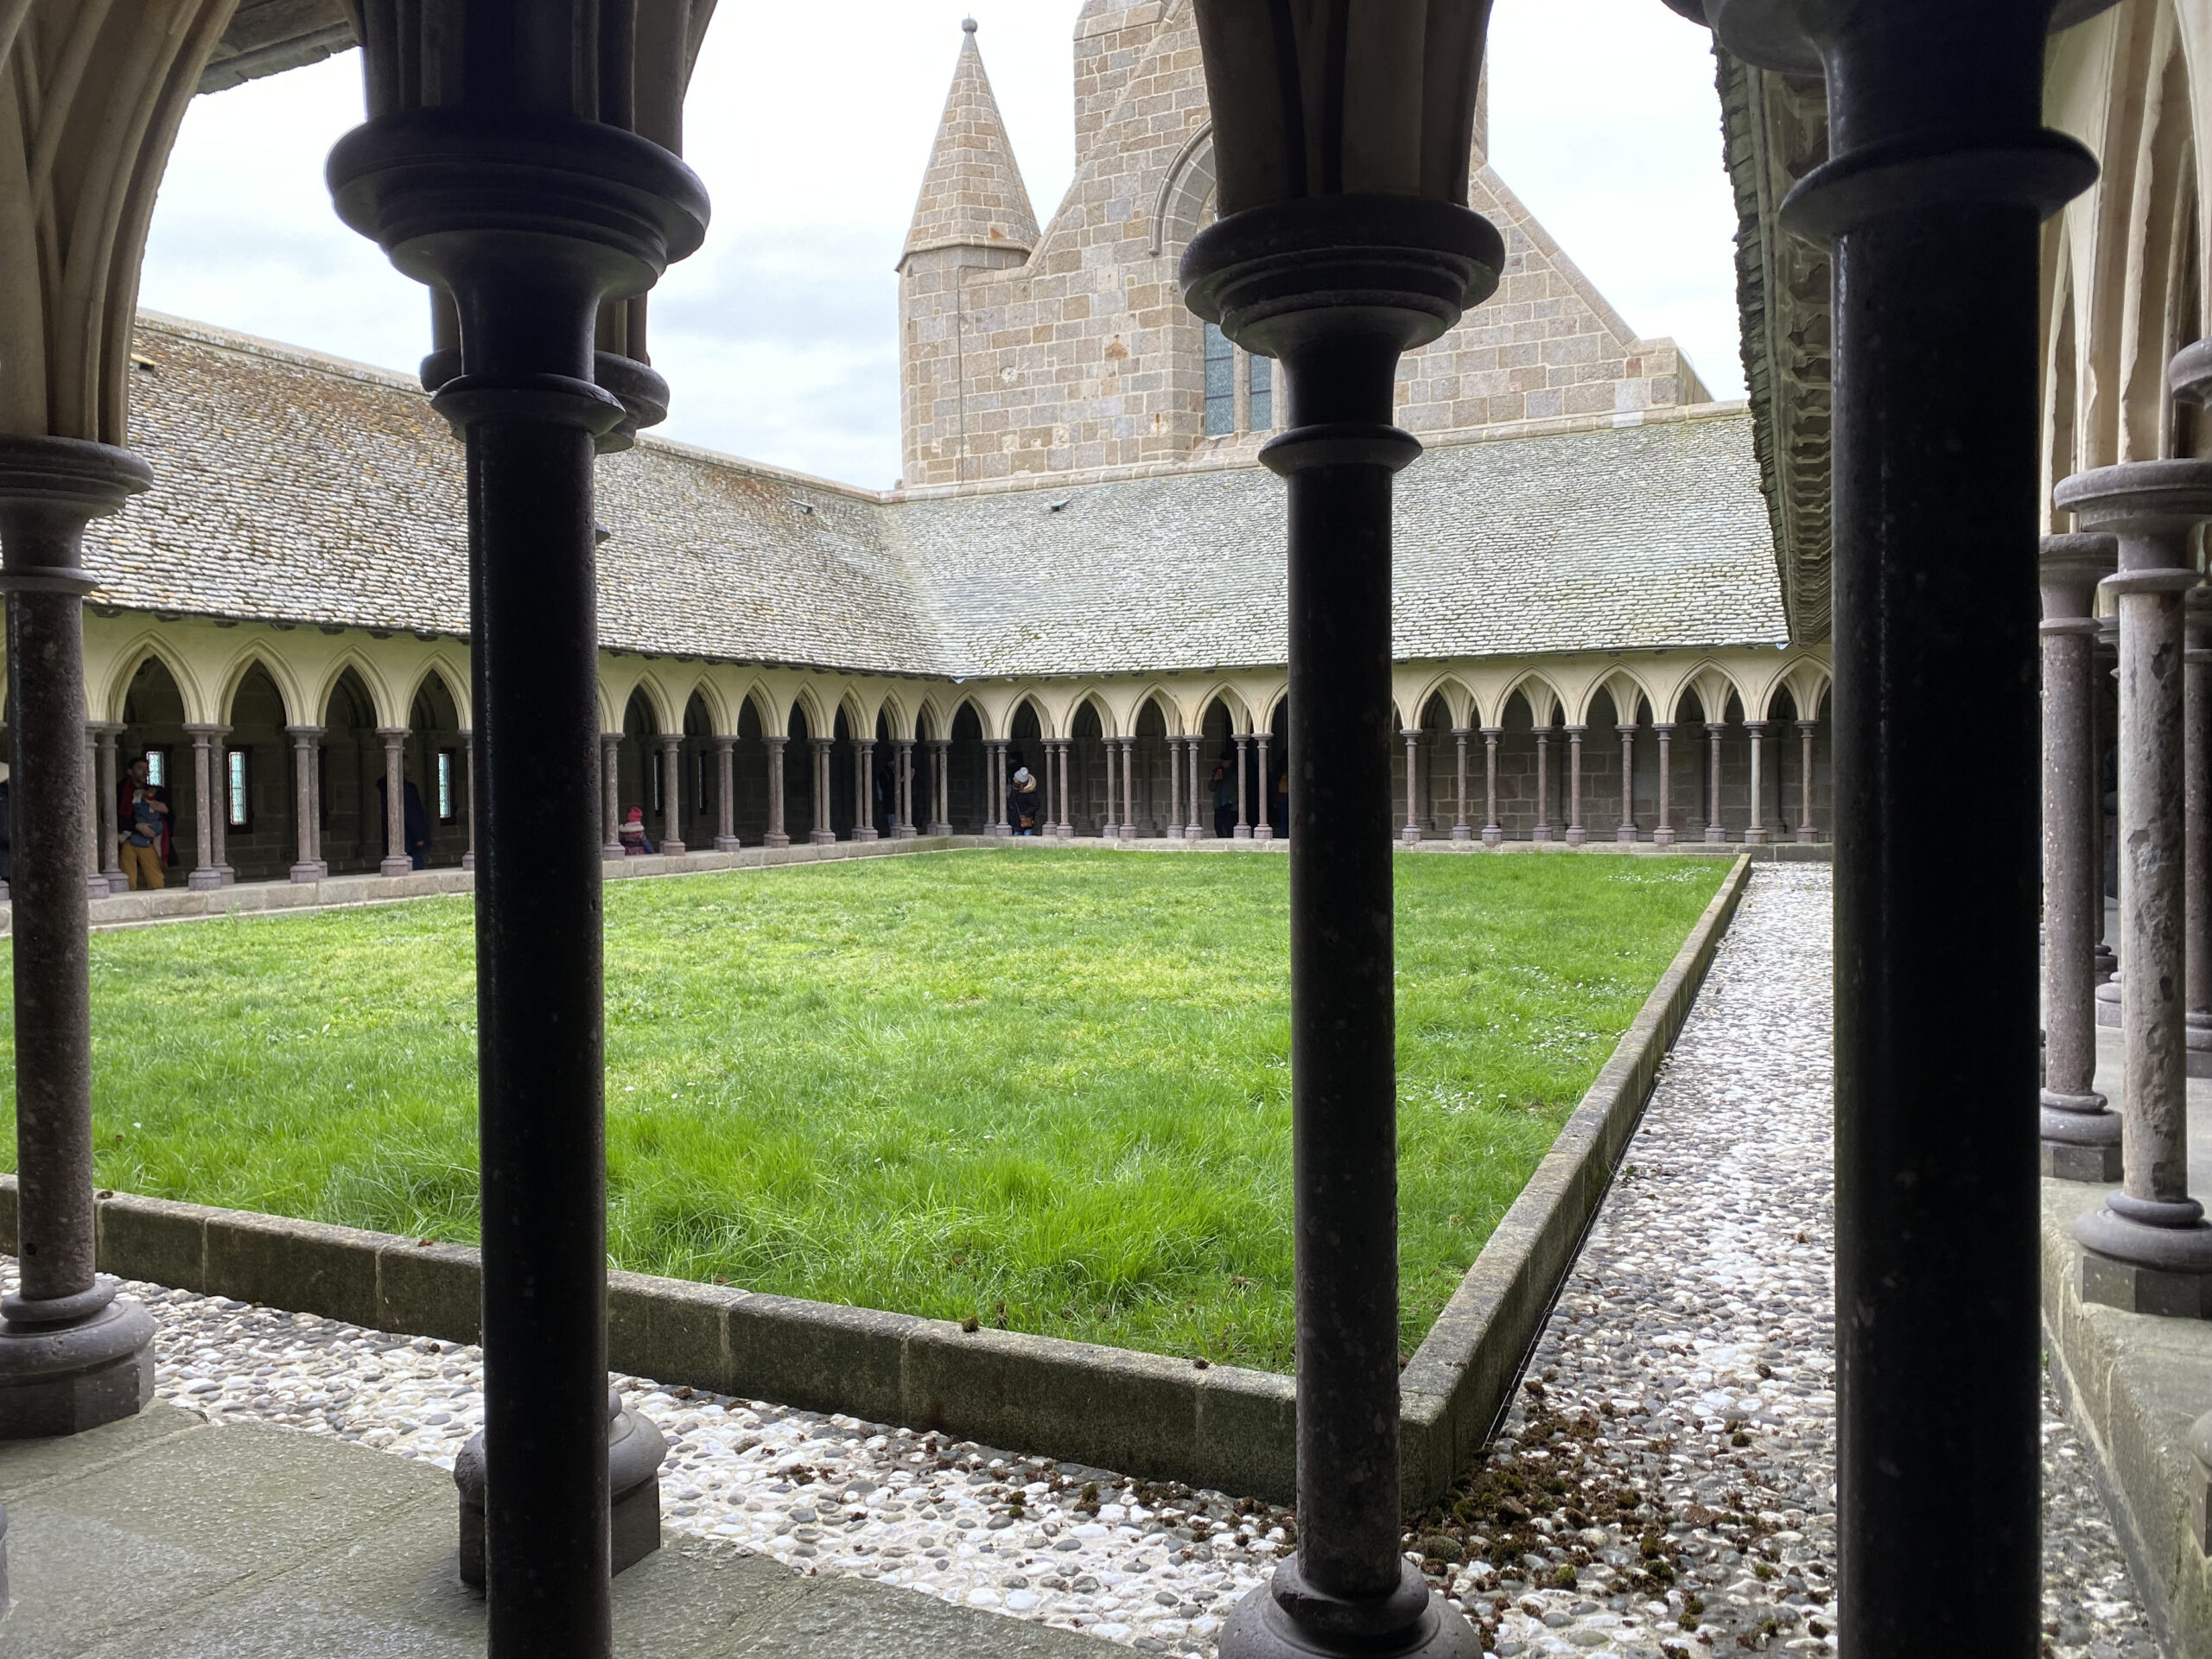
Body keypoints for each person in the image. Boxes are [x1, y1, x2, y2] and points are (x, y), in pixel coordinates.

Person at [119, 754, 170, 890]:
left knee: (156, 878)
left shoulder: (154, 791)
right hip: (126, 837)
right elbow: (111, 816)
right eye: (140, 768)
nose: (144, 772)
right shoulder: (120, 791)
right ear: (130, 771)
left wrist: (165, 809)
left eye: (147, 769)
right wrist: (136, 826)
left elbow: (168, 814)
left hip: (149, 838)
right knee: (127, 877)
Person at [1007, 765, 1042, 836]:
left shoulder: (1030, 794)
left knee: (1027, 837)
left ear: (1020, 782)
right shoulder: (1015, 790)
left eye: (1016, 779)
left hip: (1026, 822)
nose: (1014, 779)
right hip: (1017, 823)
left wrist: (1025, 814)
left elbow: (1036, 805)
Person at [1211, 760, 1235, 840]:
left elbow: (1240, 788)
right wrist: (1215, 779)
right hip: (1219, 804)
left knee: (1229, 826)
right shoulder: (1219, 772)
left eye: (1225, 761)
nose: (1223, 763)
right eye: (1223, 761)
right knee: (1218, 825)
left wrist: (1232, 800)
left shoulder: (1234, 774)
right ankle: (1221, 840)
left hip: (1230, 805)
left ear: (1230, 761)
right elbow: (1211, 788)